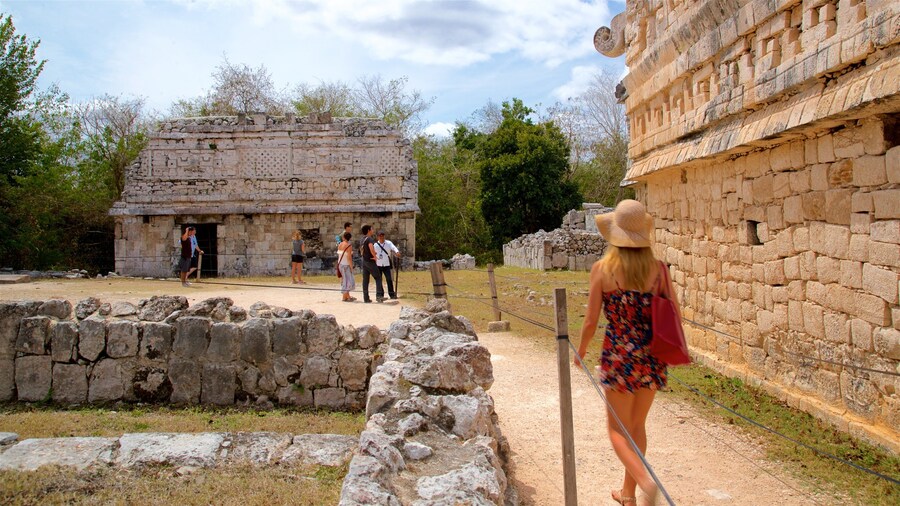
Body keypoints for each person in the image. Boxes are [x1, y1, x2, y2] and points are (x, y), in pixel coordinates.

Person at [573, 200, 672, 506]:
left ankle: (644, 482)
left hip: (619, 357)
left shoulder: (603, 270)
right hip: (652, 356)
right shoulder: (659, 271)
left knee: (617, 430)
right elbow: (672, 315)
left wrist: (581, 351)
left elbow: (590, 321)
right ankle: (627, 494)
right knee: (637, 426)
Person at [359, 224, 383, 303]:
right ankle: (379, 296)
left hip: (364, 261)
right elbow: (371, 247)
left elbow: (362, 250)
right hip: (370, 261)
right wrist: (374, 256)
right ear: (368, 230)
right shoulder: (369, 239)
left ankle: (366, 298)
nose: (373, 231)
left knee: (365, 280)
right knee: (378, 278)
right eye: (372, 229)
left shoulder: (362, 239)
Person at [374, 231, 401, 300]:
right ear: (378, 237)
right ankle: (379, 294)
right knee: (379, 280)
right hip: (378, 264)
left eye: (382, 236)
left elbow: (393, 247)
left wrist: (397, 252)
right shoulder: (375, 245)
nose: (381, 237)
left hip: (386, 264)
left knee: (389, 279)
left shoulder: (388, 243)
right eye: (380, 236)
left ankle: (392, 294)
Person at [337, 232, 356, 302]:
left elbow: (340, 255)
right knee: (347, 281)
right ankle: (344, 297)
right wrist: (351, 267)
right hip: (346, 265)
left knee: (345, 280)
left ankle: (347, 296)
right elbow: (349, 258)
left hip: (340, 264)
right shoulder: (348, 245)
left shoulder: (340, 245)